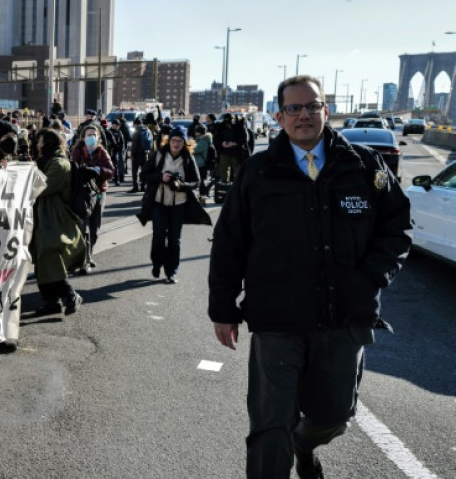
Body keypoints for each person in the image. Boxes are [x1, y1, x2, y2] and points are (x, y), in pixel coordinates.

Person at [208, 76, 411, 479]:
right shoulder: (258, 171)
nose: (303, 115)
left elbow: (397, 229)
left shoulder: (363, 166)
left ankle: (305, 442)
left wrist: (370, 278)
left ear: (326, 110)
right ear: (280, 116)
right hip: (277, 320)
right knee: (269, 426)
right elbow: (229, 242)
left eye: (311, 106)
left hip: (344, 319)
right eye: (294, 109)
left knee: (335, 415)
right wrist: (223, 309)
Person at [138, 126, 211, 283]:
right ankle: (157, 264)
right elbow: (143, 175)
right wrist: (160, 177)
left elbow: (197, 182)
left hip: (179, 204)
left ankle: (171, 272)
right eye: (174, 140)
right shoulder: (159, 155)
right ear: (168, 140)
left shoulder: (187, 158)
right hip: (159, 202)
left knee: (174, 240)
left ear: (185, 143)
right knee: (158, 237)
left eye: (180, 141)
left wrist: (180, 185)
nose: (176, 144)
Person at [30, 128, 86, 317]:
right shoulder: (47, 161)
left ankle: (70, 294)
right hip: (44, 217)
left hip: (55, 218)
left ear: (49, 143)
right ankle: (51, 302)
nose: (37, 145)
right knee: (41, 259)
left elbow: (40, 187)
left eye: (40, 141)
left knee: (49, 256)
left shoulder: (59, 164)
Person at [69, 123, 114, 274]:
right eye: (89, 135)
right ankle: (84, 258)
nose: (91, 137)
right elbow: (72, 169)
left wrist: (98, 170)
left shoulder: (102, 152)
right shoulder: (77, 151)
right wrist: (84, 170)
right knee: (82, 227)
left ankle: (89, 253)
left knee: (94, 228)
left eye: (94, 135)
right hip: (82, 193)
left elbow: (111, 171)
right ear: (83, 137)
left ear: (98, 137)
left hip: (99, 192)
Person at [214, 113, 248, 184]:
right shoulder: (221, 127)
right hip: (224, 152)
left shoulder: (240, 127)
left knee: (238, 174)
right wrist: (222, 143)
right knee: (224, 173)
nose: (228, 125)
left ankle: (237, 188)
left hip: (237, 154)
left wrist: (233, 143)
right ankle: (225, 187)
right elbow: (216, 139)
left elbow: (245, 140)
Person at [128, 115, 153, 193]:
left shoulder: (137, 131)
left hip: (137, 155)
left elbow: (134, 144)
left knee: (135, 171)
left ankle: (135, 187)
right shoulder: (147, 130)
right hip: (145, 154)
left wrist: (132, 154)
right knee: (144, 171)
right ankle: (143, 186)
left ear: (136, 124)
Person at [191, 123, 213, 205]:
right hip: (200, 164)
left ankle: (202, 199)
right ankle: (201, 198)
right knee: (201, 183)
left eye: (196, 132)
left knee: (201, 183)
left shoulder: (203, 142)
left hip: (201, 164)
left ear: (199, 132)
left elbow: (194, 150)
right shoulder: (202, 140)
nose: (195, 133)